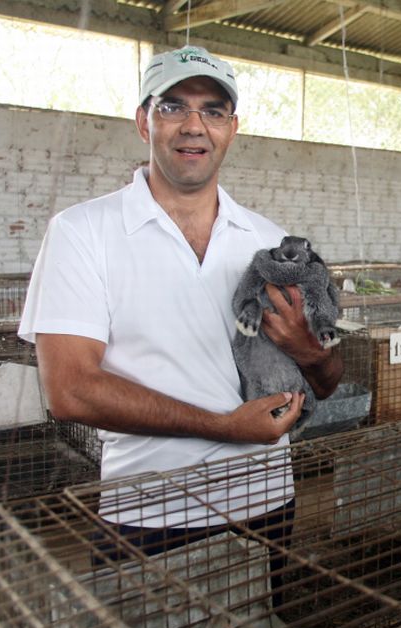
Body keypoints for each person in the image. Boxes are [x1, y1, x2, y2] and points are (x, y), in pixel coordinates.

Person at [18, 46, 343, 576]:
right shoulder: (82, 233)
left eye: (212, 111)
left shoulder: (268, 240)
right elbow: (70, 390)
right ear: (144, 122)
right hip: (148, 512)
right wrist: (223, 426)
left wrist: (311, 350)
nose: (195, 126)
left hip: (266, 503)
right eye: (173, 107)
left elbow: (326, 382)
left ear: (232, 128)